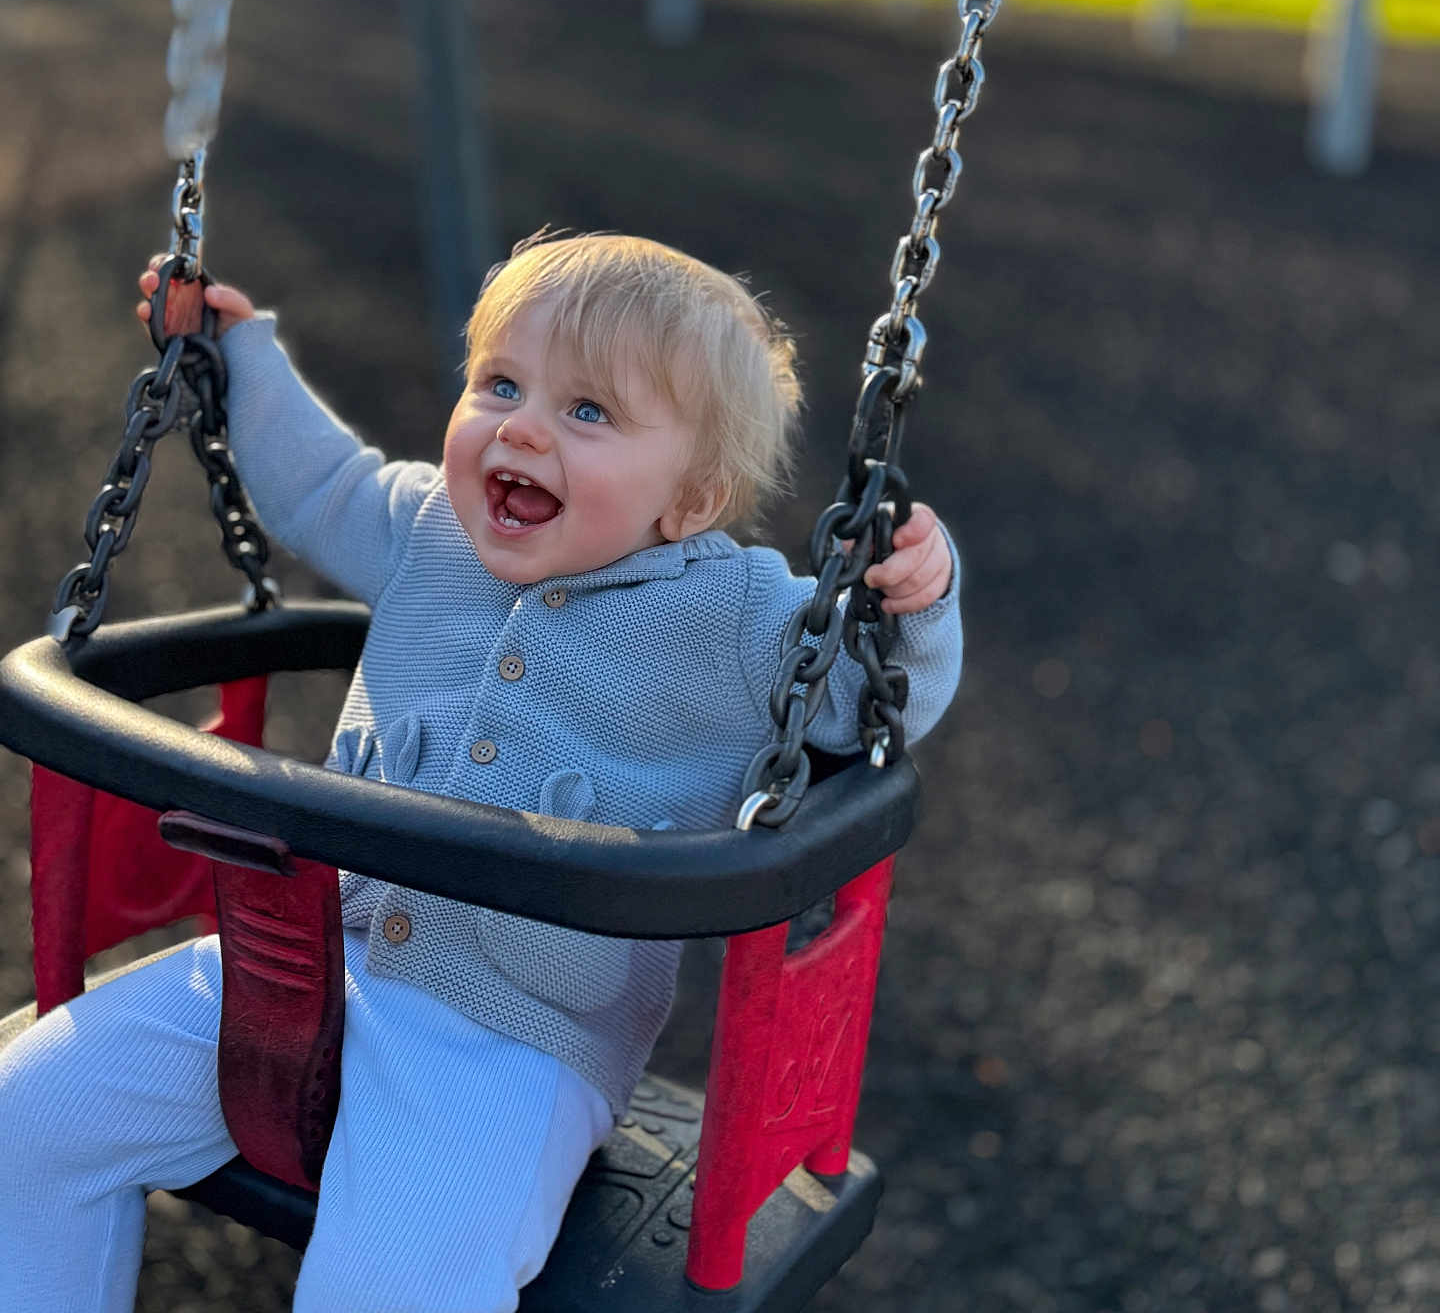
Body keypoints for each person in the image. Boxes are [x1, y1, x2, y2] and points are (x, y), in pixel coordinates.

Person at [0, 232, 963, 1312]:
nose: (522, 426)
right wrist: (239, 355)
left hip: (516, 1050)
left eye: (588, 412)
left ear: (690, 498)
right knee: (29, 1112)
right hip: (317, 961)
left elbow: (874, 703)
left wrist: (914, 603)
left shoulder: (737, 615)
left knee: (399, 1281)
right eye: (500, 382)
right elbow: (320, 483)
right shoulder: (432, 528)